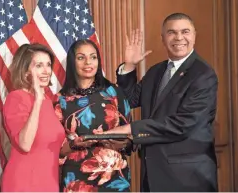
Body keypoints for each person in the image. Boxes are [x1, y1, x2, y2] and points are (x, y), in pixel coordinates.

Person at [103, 13, 218, 191]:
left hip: (187, 179)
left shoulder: (203, 75)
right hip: (152, 175)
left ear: (194, 35)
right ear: (163, 38)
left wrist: (132, 129)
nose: (179, 37)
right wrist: (129, 66)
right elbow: (129, 100)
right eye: (172, 32)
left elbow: (184, 123)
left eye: (185, 31)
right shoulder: (156, 71)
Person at [54, 39, 133, 192]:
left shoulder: (114, 92)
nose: (88, 62)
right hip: (76, 177)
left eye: (93, 57)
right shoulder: (59, 100)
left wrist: (122, 143)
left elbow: (131, 135)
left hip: (113, 177)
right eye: (81, 57)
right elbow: (57, 149)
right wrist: (74, 144)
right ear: (72, 62)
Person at [1, 43, 65, 192]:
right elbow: (25, 143)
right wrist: (37, 99)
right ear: (25, 72)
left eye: (48, 65)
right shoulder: (16, 98)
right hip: (24, 183)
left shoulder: (49, 102)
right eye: (38, 65)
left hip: (49, 183)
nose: (46, 71)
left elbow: (52, 147)